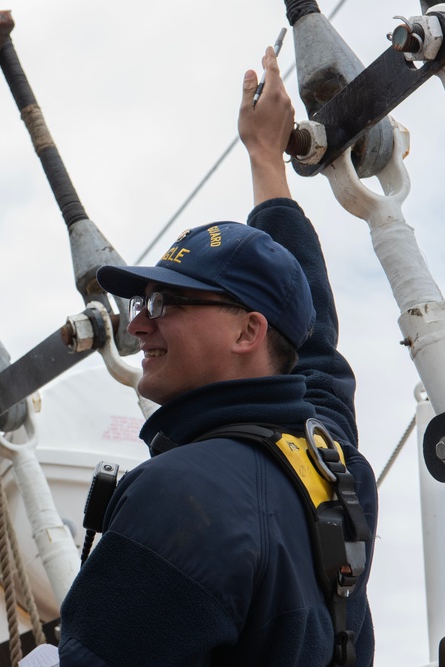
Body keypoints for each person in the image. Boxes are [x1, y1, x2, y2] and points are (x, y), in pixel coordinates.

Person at [57, 49, 378, 665]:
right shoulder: (330, 463)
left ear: (247, 333)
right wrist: (266, 159)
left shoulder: (177, 500)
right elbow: (311, 345)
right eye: (141, 302)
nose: (140, 323)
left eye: (166, 302)